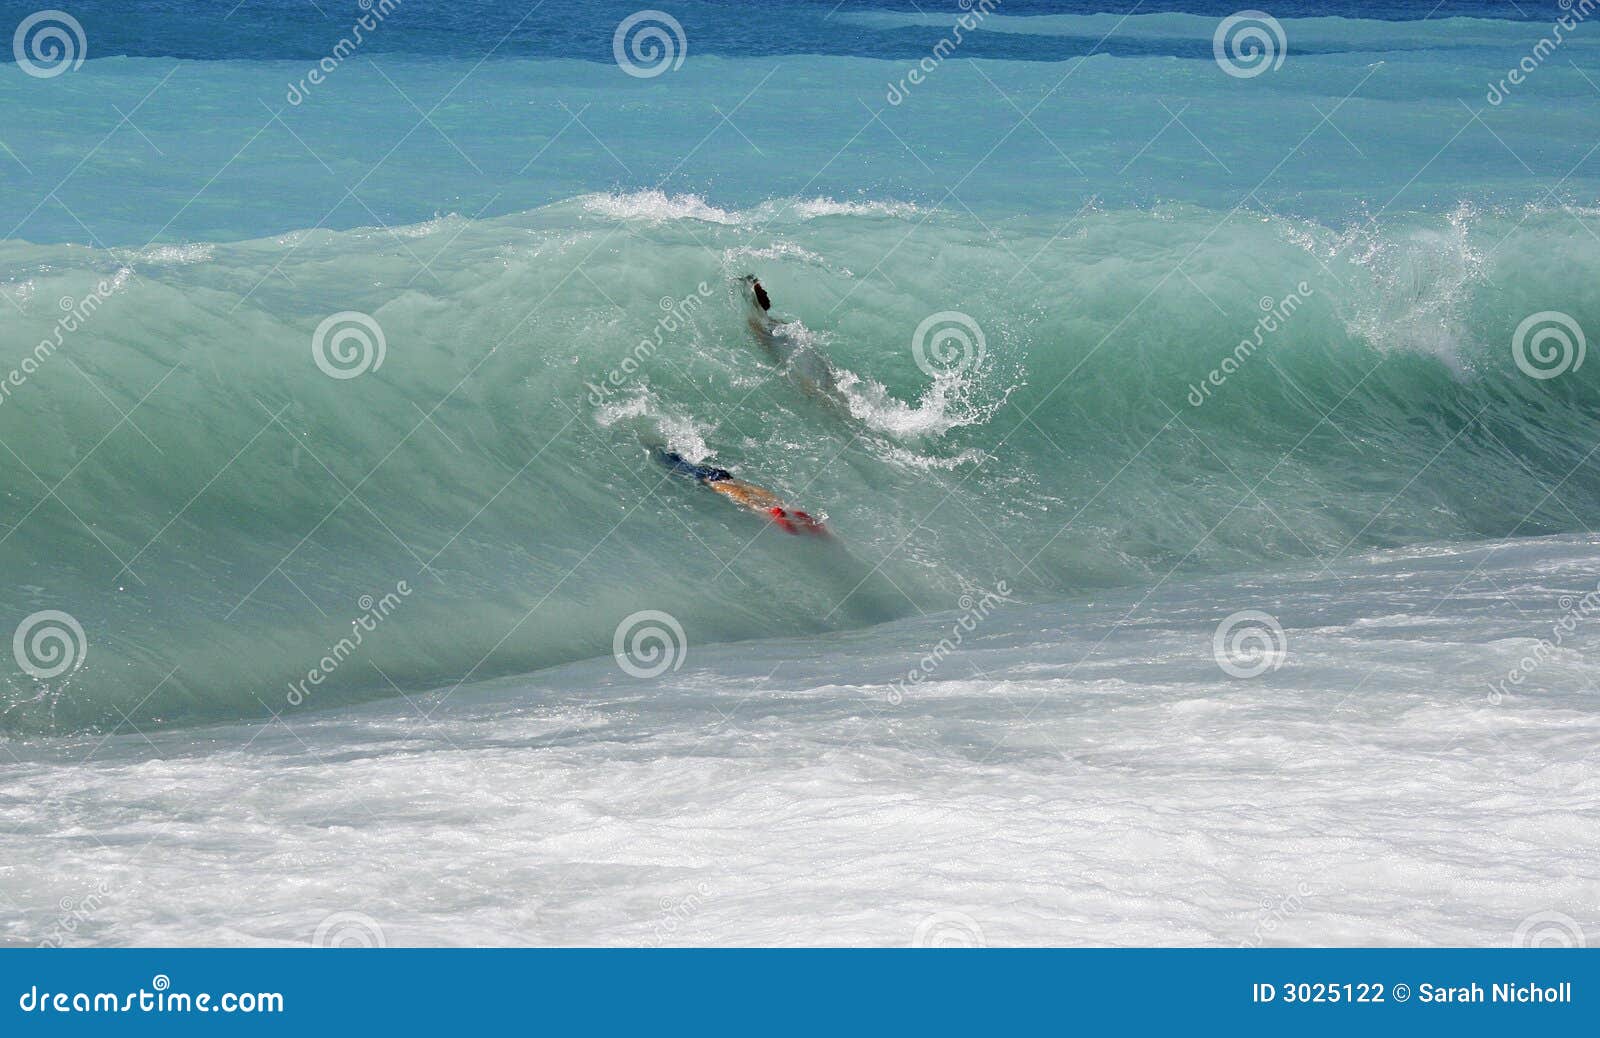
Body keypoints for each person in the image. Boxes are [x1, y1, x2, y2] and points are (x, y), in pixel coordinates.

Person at [651, 446, 826, 535]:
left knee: (738, 494)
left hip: (705, 476)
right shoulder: (681, 460)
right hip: (720, 473)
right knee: (740, 485)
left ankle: (768, 511)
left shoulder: (673, 463)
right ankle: (790, 508)